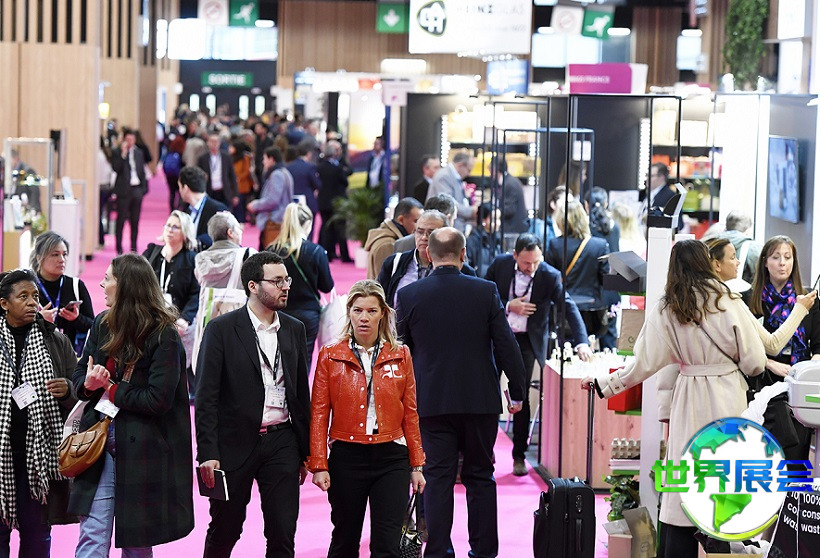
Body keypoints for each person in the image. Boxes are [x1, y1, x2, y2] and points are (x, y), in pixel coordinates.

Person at [580, 239, 783, 557]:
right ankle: (721, 545)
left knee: (683, 483)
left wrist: (604, 383)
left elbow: (642, 364)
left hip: (688, 396)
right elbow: (756, 361)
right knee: (722, 479)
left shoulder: (667, 307)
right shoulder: (728, 299)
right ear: (706, 262)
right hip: (728, 396)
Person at [396, 227, 526, 558]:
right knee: (480, 476)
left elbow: (401, 354)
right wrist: (517, 391)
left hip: (432, 401)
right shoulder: (485, 291)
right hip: (479, 401)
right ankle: (483, 552)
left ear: (428, 254)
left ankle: (438, 551)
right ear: (463, 254)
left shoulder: (410, 295)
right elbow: (506, 345)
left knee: (437, 478)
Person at [69, 254, 194, 556]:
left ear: (126, 285)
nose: (102, 284)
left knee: (137, 545)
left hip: (144, 451)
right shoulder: (102, 323)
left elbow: (157, 399)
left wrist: (110, 388)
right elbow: (80, 374)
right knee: (92, 535)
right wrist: (89, 383)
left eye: (108, 278)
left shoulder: (164, 334)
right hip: (98, 443)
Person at [195, 251, 311, 558]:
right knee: (226, 529)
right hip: (233, 443)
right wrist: (207, 452)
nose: (286, 286)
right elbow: (206, 396)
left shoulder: (295, 328)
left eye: (286, 280)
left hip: (282, 441)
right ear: (253, 286)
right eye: (277, 281)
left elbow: (301, 394)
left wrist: (305, 451)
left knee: (283, 532)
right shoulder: (221, 329)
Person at [307, 280, 426, 557]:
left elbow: (410, 412)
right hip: (347, 456)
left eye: (371, 311)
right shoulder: (330, 355)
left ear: (383, 313)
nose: (364, 318)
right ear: (348, 312)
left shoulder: (401, 354)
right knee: (345, 540)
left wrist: (417, 464)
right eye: (358, 310)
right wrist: (319, 464)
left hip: (391, 457)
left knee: (388, 546)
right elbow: (319, 413)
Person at [485, 233, 592, 476]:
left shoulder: (549, 275)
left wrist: (582, 342)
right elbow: (481, 295)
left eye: (535, 262)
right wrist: (509, 305)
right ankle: (485, 452)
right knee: (487, 393)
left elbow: (568, 307)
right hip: (496, 337)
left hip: (526, 340)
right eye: (526, 263)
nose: (531, 267)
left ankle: (519, 456)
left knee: (520, 397)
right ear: (515, 256)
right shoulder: (499, 265)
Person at [0, 269, 78, 556]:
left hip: (40, 460)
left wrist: (68, 390)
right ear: (4, 303)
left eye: (34, 295)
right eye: (23, 296)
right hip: (1, 456)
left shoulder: (55, 341)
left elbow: (81, 395)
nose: (32, 302)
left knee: (37, 535)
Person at [745, 236, 820, 390]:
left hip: (800, 379)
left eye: (787, 257)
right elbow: (744, 348)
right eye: (775, 257)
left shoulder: (808, 298)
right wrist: (769, 363)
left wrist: (808, 371)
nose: (782, 263)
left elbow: (818, 345)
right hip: (763, 378)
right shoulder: (749, 299)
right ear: (765, 262)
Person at [268, 203, 334, 366]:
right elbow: (326, 286)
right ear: (308, 224)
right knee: (303, 362)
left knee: (277, 361)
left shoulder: (271, 251)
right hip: (307, 313)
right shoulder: (315, 251)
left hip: (277, 312)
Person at [192, 211, 256, 372]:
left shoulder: (200, 259)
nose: (241, 231)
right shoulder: (248, 256)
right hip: (238, 327)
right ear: (230, 232)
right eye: (238, 228)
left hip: (207, 324)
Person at [378, 210, 476, 308]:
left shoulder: (463, 271)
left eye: (431, 233)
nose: (424, 237)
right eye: (420, 232)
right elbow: (379, 301)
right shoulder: (394, 263)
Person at [547, 200, 611, 346]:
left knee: (563, 350)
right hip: (592, 309)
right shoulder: (599, 245)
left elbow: (551, 278)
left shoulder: (555, 245)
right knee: (589, 348)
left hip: (564, 308)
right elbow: (605, 279)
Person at [143, 211, 201, 370]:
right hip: (150, 314)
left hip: (178, 317)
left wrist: (185, 318)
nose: (170, 229)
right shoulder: (151, 253)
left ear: (185, 233)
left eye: (175, 227)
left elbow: (195, 293)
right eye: (168, 225)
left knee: (186, 333)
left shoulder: (192, 259)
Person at [30, 231, 94, 356]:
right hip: (37, 357)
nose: (62, 260)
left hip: (70, 356)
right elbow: (15, 326)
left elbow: (92, 325)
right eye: (55, 255)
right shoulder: (28, 287)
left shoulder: (75, 285)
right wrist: (39, 320)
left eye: (64, 254)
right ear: (39, 257)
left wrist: (77, 319)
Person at [364, 197, 423, 280]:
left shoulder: (391, 238)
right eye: (416, 221)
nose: (419, 227)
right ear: (401, 220)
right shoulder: (388, 244)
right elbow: (386, 282)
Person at [248, 146, 294, 250]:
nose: (263, 162)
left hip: (274, 221)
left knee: (270, 254)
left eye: (265, 158)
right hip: (281, 220)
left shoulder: (276, 174)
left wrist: (255, 205)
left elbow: (272, 200)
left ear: (271, 159)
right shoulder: (284, 172)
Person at [111, 128, 148, 255]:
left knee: (135, 220)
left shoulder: (139, 153)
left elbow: (142, 171)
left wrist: (143, 189)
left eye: (132, 139)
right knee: (121, 220)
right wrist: (123, 154)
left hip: (137, 189)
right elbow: (116, 168)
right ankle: (119, 247)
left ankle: (133, 247)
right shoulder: (117, 152)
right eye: (128, 139)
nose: (130, 142)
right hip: (123, 191)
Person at [317, 140, 352, 263]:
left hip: (323, 201)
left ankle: (327, 254)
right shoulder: (338, 168)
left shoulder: (319, 167)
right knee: (340, 228)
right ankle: (344, 255)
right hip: (337, 202)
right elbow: (345, 182)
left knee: (326, 228)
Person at [179, 165, 229, 250]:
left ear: (186, 188)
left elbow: (220, 238)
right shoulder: (186, 210)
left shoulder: (217, 210)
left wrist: (196, 241)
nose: (179, 191)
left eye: (180, 187)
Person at [426, 151, 477, 232]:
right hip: (444, 229)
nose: (469, 174)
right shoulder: (444, 176)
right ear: (460, 165)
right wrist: (471, 211)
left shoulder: (451, 176)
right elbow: (448, 203)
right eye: (468, 170)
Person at [393, 193, 457, 254]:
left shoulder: (401, 244)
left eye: (430, 232)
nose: (424, 237)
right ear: (448, 218)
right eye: (420, 232)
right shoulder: (456, 245)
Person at [198, 132, 239, 210]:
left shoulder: (226, 157)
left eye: (216, 141)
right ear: (208, 143)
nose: (214, 144)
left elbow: (232, 176)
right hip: (209, 191)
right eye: (212, 141)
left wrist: (235, 194)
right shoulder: (203, 158)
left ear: (219, 143)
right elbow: (199, 176)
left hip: (224, 192)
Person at [721, 210, 762, 284]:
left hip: (713, 288)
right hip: (743, 290)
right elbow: (760, 275)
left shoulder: (710, 243)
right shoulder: (754, 248)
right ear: (747, 229)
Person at [287, 139, 321, 220]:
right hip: (308, 202)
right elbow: (318, 184)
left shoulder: (289, 167)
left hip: (292, 202)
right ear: (309, 154)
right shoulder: (310, 167)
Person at [465, 202, 501, 277]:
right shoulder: (473, 240)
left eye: (498, 219)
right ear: (483, 220)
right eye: (494, 219)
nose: (498, 223)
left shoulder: (497, 238)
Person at [494, 159, 528, 235]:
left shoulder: (510, 184)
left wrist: (494, 212)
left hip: (513, 230)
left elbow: (510, 209)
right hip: (513, 229)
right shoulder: (509, 181)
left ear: (495, 169)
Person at [230, 140, 256, 224]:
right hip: (233, 185)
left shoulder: (245, 158)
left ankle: (242, 220)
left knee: (241, 204)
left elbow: (247, 171)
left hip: (243, 185)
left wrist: (238, 178)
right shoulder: (230, 158)